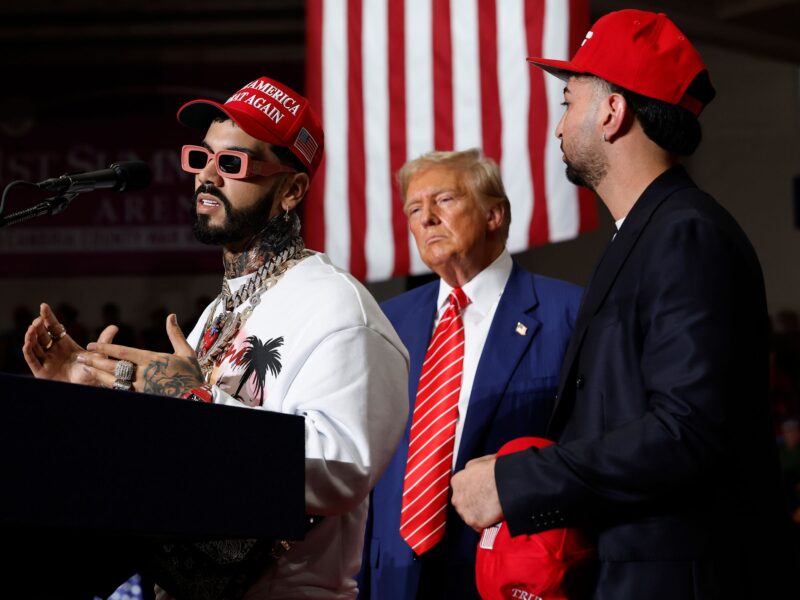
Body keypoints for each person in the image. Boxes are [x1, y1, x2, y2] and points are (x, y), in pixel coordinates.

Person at [450, 9, 795, 599]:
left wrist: (517, 480)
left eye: (568, 103)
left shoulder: (687, 234)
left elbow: (686, 433)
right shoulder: (648, 233)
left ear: (612, 114)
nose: (558, 127)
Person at [22, 75, 409, 600]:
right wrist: (96, 392)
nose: (207, 177)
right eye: (201, 159)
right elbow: (179, 449)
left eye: (232, 165)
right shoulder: (218, 312)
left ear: (292, 190)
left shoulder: (340, 310)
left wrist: (196, 398)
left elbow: (341, 469)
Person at [360, 149, 582, 598]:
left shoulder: (570, 313)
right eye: (414, 209)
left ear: (494, 214)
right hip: (395, 573)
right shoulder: (387, 321)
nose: (426, 219)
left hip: (509, 568)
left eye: (443, 200)